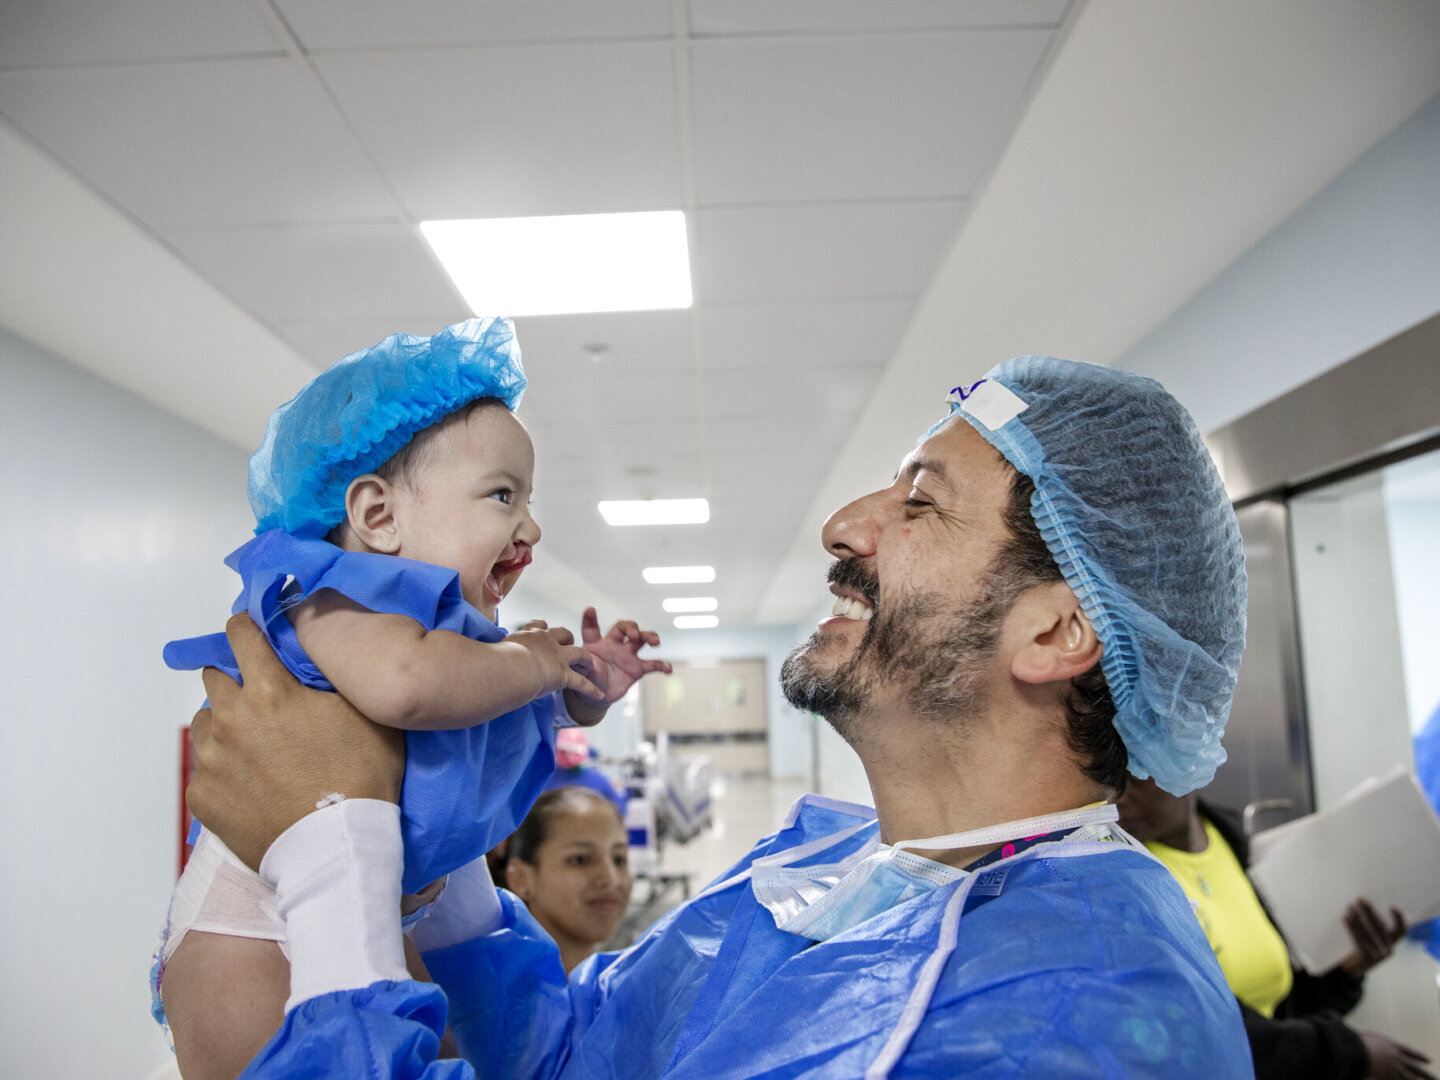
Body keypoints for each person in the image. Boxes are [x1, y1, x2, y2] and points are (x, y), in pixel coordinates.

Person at [186, 356, 1260, 1077]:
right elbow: (566, 1057)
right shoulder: (820, 873)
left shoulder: (1077, 1017)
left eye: (921, 502)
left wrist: (334, 851)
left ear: (1059, 631)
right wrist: (436, 845)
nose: (844, 525)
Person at [154, 318, 670, 1078]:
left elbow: (484, 711)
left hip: (384, 907)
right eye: (502, 495)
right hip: (249, 920)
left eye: (527, 498)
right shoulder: (335, 599)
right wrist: (531, 663)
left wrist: (577, 691)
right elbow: (408, 688)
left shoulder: (458, 635)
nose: (530, 526)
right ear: (378, 517)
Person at [1117, 777, 1433, 1080]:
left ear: (1181, 765)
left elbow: (1279, 1008)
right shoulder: (1124, 878)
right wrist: (1348, 1053)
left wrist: (1343, 974)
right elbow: (1201, 1031)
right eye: (1109, 775)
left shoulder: (1232, 844)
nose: (1117, 794)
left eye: (1135, 775)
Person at [504, 787, 634, 973]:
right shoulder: (492, 996)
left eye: (619, 859)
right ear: (521, 879)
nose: (610, 879)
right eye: (580, 860)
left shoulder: (612, 992)